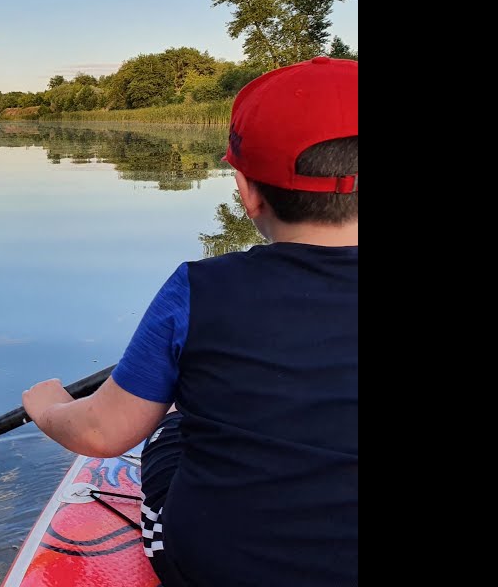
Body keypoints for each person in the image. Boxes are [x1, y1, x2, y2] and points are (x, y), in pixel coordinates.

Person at [21, 56, 357, 587]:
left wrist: (48, 406)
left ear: (246, 191)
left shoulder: (201, 288)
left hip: (214, 568)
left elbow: (102, 433)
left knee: (171, 428)